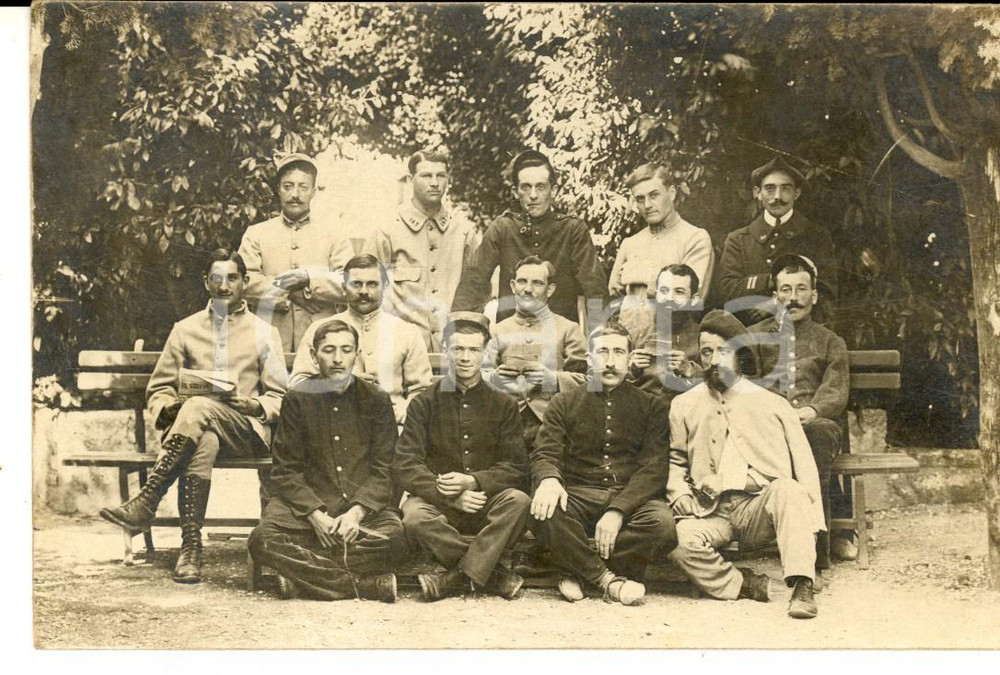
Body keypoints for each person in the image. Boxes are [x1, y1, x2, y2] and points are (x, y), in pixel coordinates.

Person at [100, 249, 288, 584]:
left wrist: (253, 405)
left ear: (245, 282)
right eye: (216, 278)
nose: (224, 286)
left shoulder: (263, 332)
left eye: (232, 278)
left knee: (199, 406)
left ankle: (148, 499)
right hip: (195, 434)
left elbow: (280, 397)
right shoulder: (185, 329)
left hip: (245, 432)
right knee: (204, 437)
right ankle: (191, 548)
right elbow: (159, 390)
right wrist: (172, 408)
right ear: (205, 282)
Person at [667, 309, 825, 619]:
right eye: (706, 352)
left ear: (740, 354)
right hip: (709, 511)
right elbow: (676, 460)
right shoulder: (683, 404)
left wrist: (814, 527)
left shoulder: (773, 404)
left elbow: (802, 471)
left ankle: (802, 586)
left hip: (757, 509)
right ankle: (743, 583)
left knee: (789, 490)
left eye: (723, 351)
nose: (714, 360)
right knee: (678, 541)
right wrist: (679, 493)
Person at [247, 320, 409, 602]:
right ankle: (362, 585)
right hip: (306, 509)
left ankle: (305, 577)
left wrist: (356, 513)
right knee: (262, 539)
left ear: (357, 354)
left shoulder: (377, 399)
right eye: (329, 350)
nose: (337, 359)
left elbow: (386, 469)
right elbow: (285, 469)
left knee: (395, 541)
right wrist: (314, 515)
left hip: (360, 508)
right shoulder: (297, 398)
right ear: (314, 355)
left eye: (346, 350)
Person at [529, 323, 676, 606]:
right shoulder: (564, 402)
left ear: (630, 358)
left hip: (629, 497)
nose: (610, 361)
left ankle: (574, 568)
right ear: (589, 358)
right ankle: (608, 580)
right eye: (602, 352)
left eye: (619, 352)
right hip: (578, 495)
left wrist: (618, 511)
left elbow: (654, 468)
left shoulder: (652, 406)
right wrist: (549, 480)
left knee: (663, 526)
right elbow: (545, 451)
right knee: (540, 510)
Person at [394, 312, 531, 601]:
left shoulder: (504, 404)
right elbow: (406, 464)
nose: (465, 357)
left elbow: (516, 466)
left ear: (485, 353)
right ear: (445, 350)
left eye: (473, 350)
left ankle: (456, 578)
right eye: (458, 349)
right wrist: (448, 496)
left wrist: (473, 481)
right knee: (413, 516)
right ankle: (490, 575)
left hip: (485, 501)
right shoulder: (423, 403)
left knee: (519, 501)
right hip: (438, 504)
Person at [749, 254, 853, 568]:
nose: (793, 298)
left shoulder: (830, 341)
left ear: (814, 295)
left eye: (801, 289)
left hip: (815, 424)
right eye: (785, 290)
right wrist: (774, 414)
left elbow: (835, 390)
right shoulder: (754, 337)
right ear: (775, 297)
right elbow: (746, 385)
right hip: (770, 427)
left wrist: (811, 410)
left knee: (816, 435)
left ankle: (815, 553)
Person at [451, 150, 607, 326]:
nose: (533, 195)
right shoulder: (503, 228)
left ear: (553, 190)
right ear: (515, 192)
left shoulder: (573, 229)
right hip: (511, 335)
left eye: (540, 187)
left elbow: (595, 289)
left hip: (560, 336)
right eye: (525, 187)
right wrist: (459, 328)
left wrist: (601, 336)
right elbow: (474, 281)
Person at [289, 254, 432, 426]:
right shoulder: (319, 329)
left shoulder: (407, 331)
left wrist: (400, 414)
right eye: (356, 284)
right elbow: (298, 384)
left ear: (385, 287)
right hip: (333, 423)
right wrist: (343, 381)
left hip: (393, 423)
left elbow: (421, 390)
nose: (364, 291)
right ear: (344, 288)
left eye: (372, 284)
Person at [365, 149, 482, 350]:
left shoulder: (463, 232)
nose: (435, 183)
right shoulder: (387, 230)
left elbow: (478, 291)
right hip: (400, 346)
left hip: (451, 348)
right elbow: (367, 287)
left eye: (441, 176)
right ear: (411, 179)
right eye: (426, 175)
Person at [238, 152, 354, 352]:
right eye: (288, 186)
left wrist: (309, 283)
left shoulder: (334, 233)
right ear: (278, 190)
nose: (295, 194)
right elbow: (244, 283)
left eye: (303, 187)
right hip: (268, 337)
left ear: (313, 191)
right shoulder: (256, 234)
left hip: (322, 342)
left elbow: (350, 283)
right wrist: (290, 294)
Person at [716, 156, 837, 325]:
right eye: (769, 189)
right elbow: (726, 290)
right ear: (757, 193)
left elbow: (826, 293)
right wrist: (770, 280)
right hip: (749, 332)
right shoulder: (739, 239)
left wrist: (777, 304)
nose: (777, 196)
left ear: (797, 193)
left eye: (786, 189)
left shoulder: (816, 237)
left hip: (800, 330)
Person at [482, 255, 587, 449]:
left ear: (550, 289)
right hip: (506, 427)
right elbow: (478, 375)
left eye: (537, 283)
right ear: (513, 286)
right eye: (522, 281)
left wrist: (554, 380)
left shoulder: (568, 329)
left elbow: (587, 382)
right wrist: (494, 379)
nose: (528, 289)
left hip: (554, 428)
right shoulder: (497, 331)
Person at [610, 163, 715, 301]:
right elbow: (614, 299)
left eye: (654, 195)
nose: (647, 205)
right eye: (640, 199)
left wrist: (636, 274)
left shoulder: (695, 238)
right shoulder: (629, 244)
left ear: (671, 193)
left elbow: (690, 299)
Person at [622, 263, 704, 404]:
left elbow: (720, 382)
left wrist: (691, 371)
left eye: (679, 292)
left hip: (685, 410)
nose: (669, 298)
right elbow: (610, 381)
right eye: (664, 291)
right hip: (641, 409)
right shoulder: (635, 332)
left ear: (694, 299)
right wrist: (632, 370)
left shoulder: (703, 337)